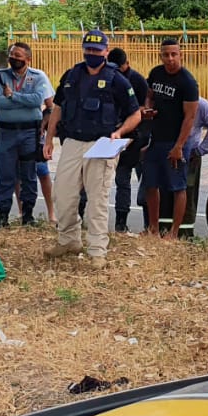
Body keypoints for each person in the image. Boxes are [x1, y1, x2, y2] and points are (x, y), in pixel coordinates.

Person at [43, 29, 141, 268]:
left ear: (106, 52)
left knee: (97, 200)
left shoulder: (117, 79)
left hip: (101, 145)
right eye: (88, 49)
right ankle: (68, 240)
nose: (92, 54)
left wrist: (118, 133)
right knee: (63, 194)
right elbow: (57, 108)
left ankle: (97, 250)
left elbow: (135, 114)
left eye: (97, 50)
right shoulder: (71, 75)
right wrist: (49, 139)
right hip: (73, 142)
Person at [0, 41, 53, 228]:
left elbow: (38, 100)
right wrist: (19, 100)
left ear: (28, 59)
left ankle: (28, 215)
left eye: (18, 56)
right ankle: (2, 216)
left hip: (30, 132)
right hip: (7, 132)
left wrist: (12, 95)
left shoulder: (38, 76)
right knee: (5, 174)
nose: (13, 58)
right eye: (11, 55)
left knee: (29, 174)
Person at [142, 38, 199, 239]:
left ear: (180, 55)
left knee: (178, 187)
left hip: (176, 141)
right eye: (166, 54)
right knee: (150, 183)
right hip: (155, 139)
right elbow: (149, 94)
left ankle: (174, 233)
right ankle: (153, 228)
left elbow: (190, 117)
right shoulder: (156, 73)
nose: (170, 58)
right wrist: (147, 107)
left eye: (174, 54)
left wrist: (179, 146)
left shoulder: (188, 82)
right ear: (161, 55)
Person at [108, 47, 151, 232]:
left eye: (121, 68)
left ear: (128, 64)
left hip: (139, 137)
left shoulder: (138, 81)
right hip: (118, 137)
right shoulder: (108, 78)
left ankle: (149, 225)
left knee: (146, 183)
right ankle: (120, 223)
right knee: (122, 181)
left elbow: (145, 108)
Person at [178, 95, 208, 239]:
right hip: (180, 153)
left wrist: (200, 150)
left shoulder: (201, 104)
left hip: (190, 156)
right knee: (184, 192)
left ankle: (185, 232)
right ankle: (179, 232)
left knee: (187, 193)